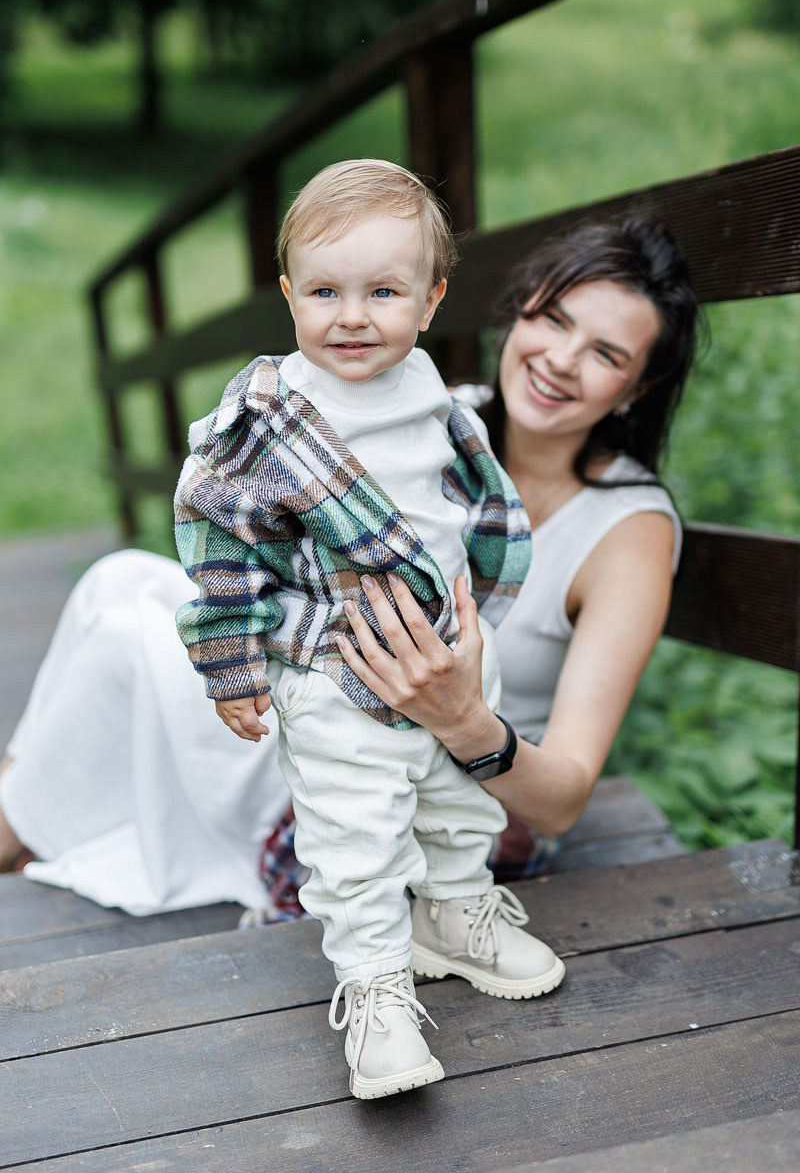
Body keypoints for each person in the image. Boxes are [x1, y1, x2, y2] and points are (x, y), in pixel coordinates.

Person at [0, 210, 698, 1072]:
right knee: (118, 582)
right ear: (517, 313)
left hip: (453, 785)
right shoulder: (430, 411)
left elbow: (560, 804)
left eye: (605, 353)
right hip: (328, 709)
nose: (560, 359)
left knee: (119, 635)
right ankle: (22, 820)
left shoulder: (626, 532)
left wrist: (460, 717)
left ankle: (15, 829)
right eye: (553, 319)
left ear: (635, 388)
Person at [172, 158, 564, 1100]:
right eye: (325, 292)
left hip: (451, 651)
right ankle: (377, 989)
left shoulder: (427, 387)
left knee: (458, 800)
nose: (352, 317)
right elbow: (219, 546)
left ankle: (457, 914)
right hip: (336, 668)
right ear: (288, 295)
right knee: (355, 838)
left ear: (431, 301)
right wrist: (232, 666)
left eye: (383, 292)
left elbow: (462, 492)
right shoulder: (267, 423)